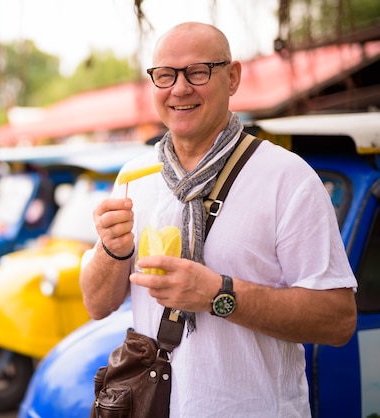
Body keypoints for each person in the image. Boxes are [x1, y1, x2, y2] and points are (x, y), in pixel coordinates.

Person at [80, 22, 357, 417]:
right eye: (165, 75)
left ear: (233, 77)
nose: (179, 89)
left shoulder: (288, 178)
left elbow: (338, 320)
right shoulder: (134, 177)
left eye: (198, 71)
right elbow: (96, 304)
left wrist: (218, 295)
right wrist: (112, 249)